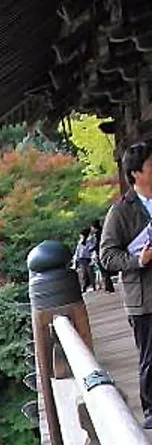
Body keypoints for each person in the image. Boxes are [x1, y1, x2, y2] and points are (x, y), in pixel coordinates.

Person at [100, 140, 152, 428]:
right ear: (136, 174)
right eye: (150, 166)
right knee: (150, 357)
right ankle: (150, 409)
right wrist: (139, 261)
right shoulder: (121, 211)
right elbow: (107, 256)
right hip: (144, 297)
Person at [91, 218, 115, 293]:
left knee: (104, 272)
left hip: (100, 254)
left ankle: (109, 288)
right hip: (104, 252)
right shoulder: (103, 231)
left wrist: (92, 249)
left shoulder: (97, 235)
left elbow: (97, 245)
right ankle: (109, 287)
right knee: (105, 271)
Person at [73, 228, 96, 292]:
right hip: (81, 259)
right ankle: (84, 287)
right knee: (84, 274)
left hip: (87, 259)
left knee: (90, 273)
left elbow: (91, 250)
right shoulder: (80, 242)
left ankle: (93, 286)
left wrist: (92, 258)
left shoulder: (89, 241)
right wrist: (76, 259)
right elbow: (77, 251)